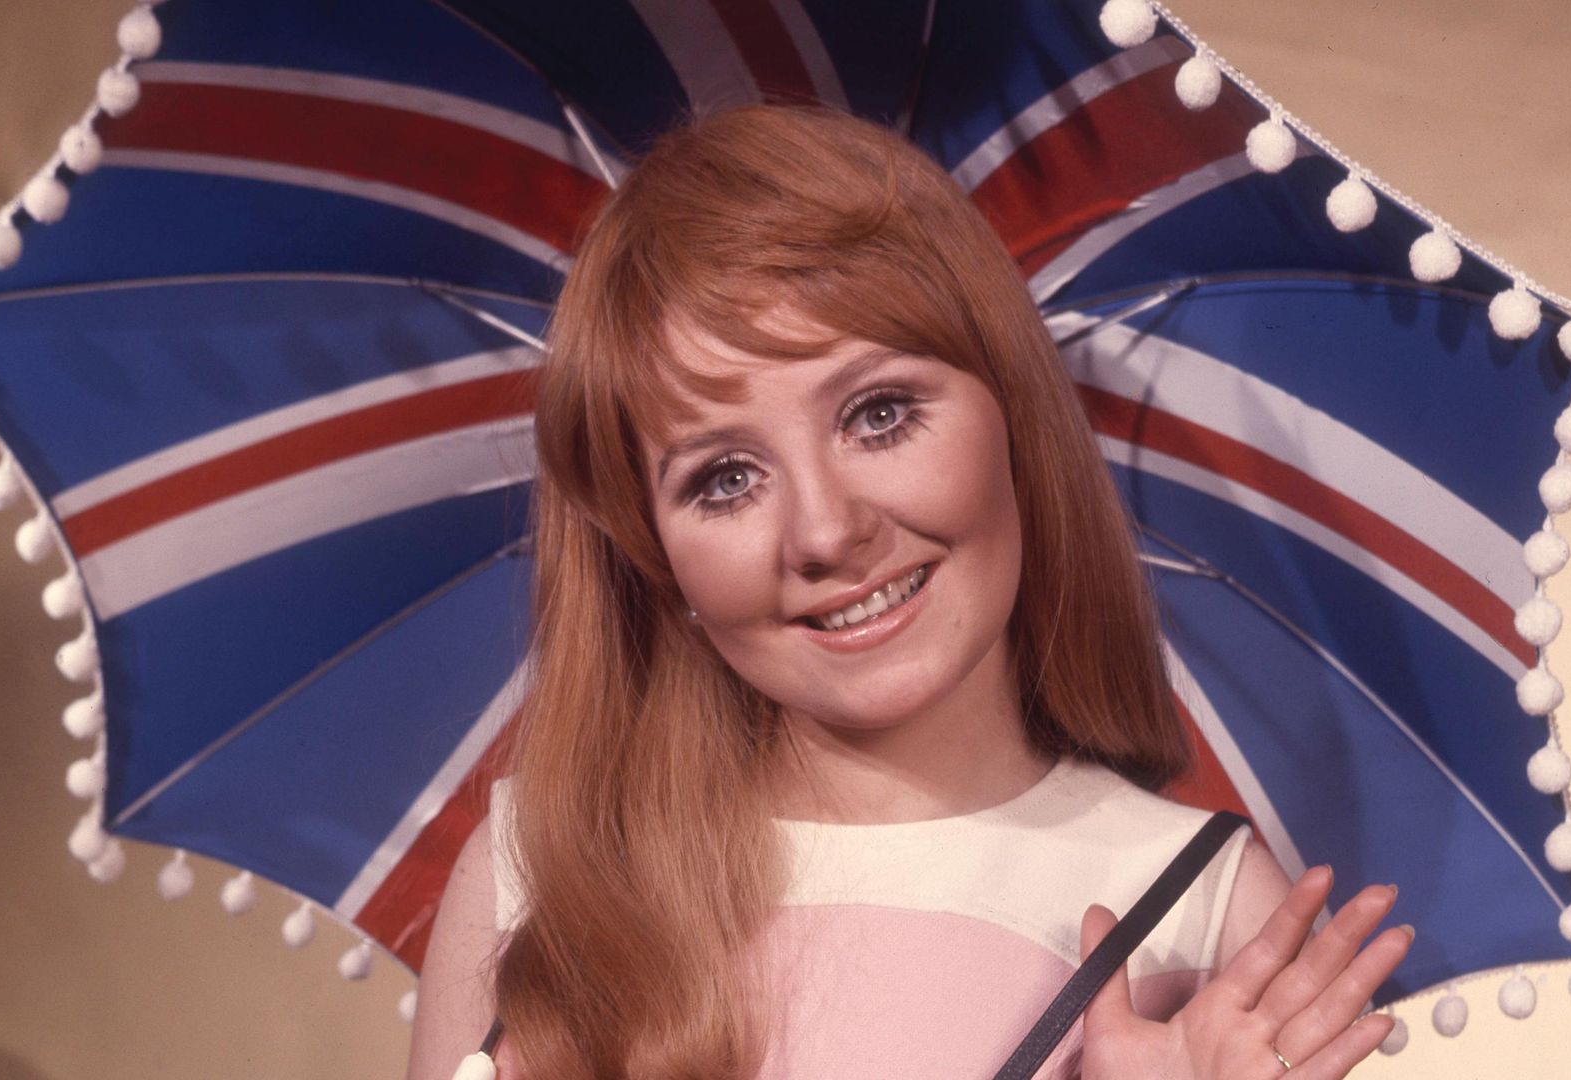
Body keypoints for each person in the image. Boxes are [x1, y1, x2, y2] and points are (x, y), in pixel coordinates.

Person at [406, 103, 1411, 1080]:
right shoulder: (536, 874)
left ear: (1014, 414)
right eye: (724, 479)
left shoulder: (1203, 905)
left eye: (879, 414)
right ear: (656, 563)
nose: (826, 531)